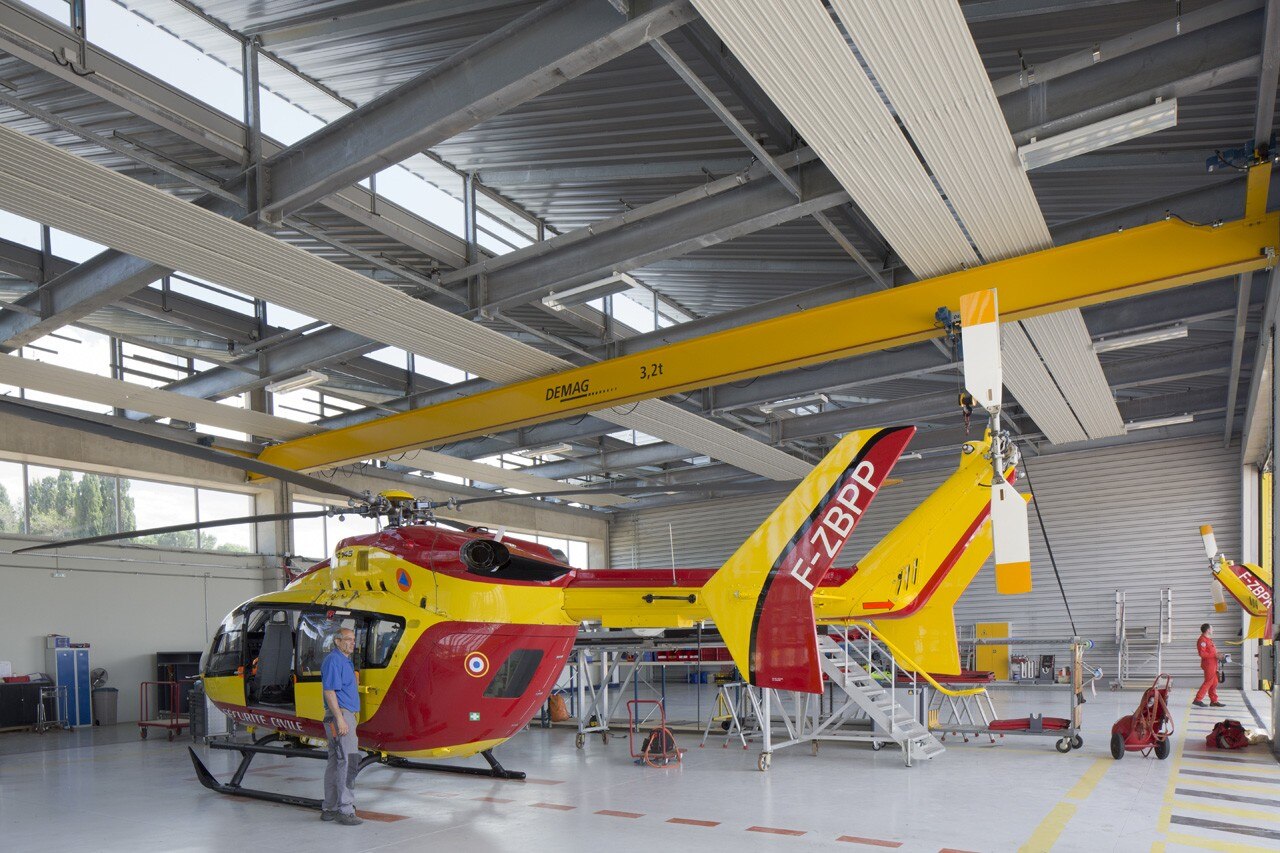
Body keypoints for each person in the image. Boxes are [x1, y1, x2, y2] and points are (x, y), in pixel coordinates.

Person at [321, 627, 362, 826]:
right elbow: (329, 691)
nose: (352, 642)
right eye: (348, 639)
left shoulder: (345, 661)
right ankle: (345, 809)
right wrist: (340, 719)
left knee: (335, 761)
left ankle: (329, 808)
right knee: (349, 760)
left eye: (353, 639)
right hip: (341, 716)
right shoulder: (334, 660)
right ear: (337, 641)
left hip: (342, 715)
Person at [1193, 623, 1225, 708]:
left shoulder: (1209, 640)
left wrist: (1218, 655)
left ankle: (1214, 701)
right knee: (1209, 681)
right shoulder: (1202, 640)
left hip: (1213, 663)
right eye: (1212, 628)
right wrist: (1215, 655)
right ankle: (1197, 699)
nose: (1213, 630)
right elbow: (1202, 654)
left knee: (1214, 682)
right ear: (1208, 630)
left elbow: (1212, 652)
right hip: (1208, 664)